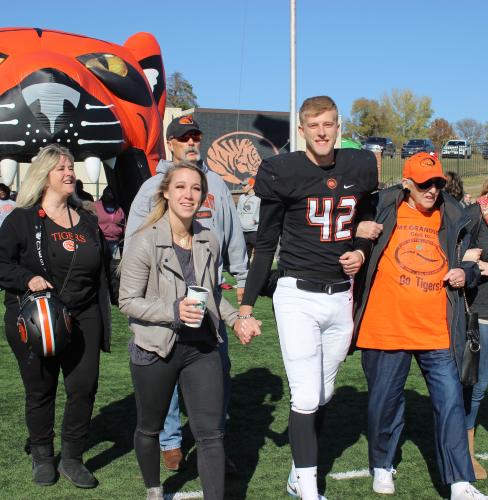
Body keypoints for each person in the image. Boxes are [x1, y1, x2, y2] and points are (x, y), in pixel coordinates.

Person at [239, 95, 378, 500]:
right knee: (304, 394)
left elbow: (367, 218)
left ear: (338, 127)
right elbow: (265, 244)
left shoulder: (359, 166)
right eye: (314, 125)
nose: (321, 132)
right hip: (297, 294)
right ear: (301, 130)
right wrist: (246, 306)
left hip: (340, 296)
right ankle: (309, 489)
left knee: (323, 394)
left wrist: (360, 250)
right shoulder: (282, 171)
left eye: (328, 124)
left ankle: (297, 474)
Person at [353, 152, 488, 500]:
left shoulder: (455, 213)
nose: (432, 190)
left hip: (438, 329)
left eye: (437, 183)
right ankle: (382, 464)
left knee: (451, 403)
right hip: (386, 327)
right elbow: (342, 233)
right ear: (407, 183)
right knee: (385, 404)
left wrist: (465, 272)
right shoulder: (380, 207)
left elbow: (472, 260)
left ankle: (460, 483)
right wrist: (357, 231)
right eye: (423, 184)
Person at [119, 162, 260, 500]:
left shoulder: (208, 239)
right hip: (156, 348)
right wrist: (172, 310)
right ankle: (154, 490)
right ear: (166, 193)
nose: (188, 194)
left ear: (203, 196)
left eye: (196, 188)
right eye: (180, 187)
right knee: (149, 428)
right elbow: (127, 301)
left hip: (201, 348)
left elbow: (211, 296)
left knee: (211, 435)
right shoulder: (144, 240)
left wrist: (236, 320)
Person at [0, 144, 114, 489]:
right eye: (61, 168)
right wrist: (26, 278)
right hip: (38, 317)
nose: (69, 173)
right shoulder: (21, 219)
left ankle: (72, 457)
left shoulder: (88, 220)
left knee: (84, 387)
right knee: (41, 389)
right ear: (44, 176)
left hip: (84, 314)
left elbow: (105, 269)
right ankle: (42, 455)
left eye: (70, 167)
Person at [462, 167, 488, 481]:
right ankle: (467, 453)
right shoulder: (478, 213)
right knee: (477, 386)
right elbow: (462, 258)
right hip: (486, 311)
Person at [94, 186, 126, 259]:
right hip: (100, 241)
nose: (109, 194)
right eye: (107, 192)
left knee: (113, 263)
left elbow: (124, 223)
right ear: (103, 194)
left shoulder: (119, 208)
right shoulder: (95, 206)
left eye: (111, 193)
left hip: (115, 241)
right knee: (101, 262)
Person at [237, 177, 260, 264]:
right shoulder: (241, 197)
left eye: (245, 185)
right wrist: (239, 223)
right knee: (245, 256)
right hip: (243, 231)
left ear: (251, 185)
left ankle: (257, 270)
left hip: (254, 231)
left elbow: (263, 213)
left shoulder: (258, 198)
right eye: (242, 185)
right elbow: (238, 212)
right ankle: (246, 272)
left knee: (259, 254)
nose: (243, 187)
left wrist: (256, 221)